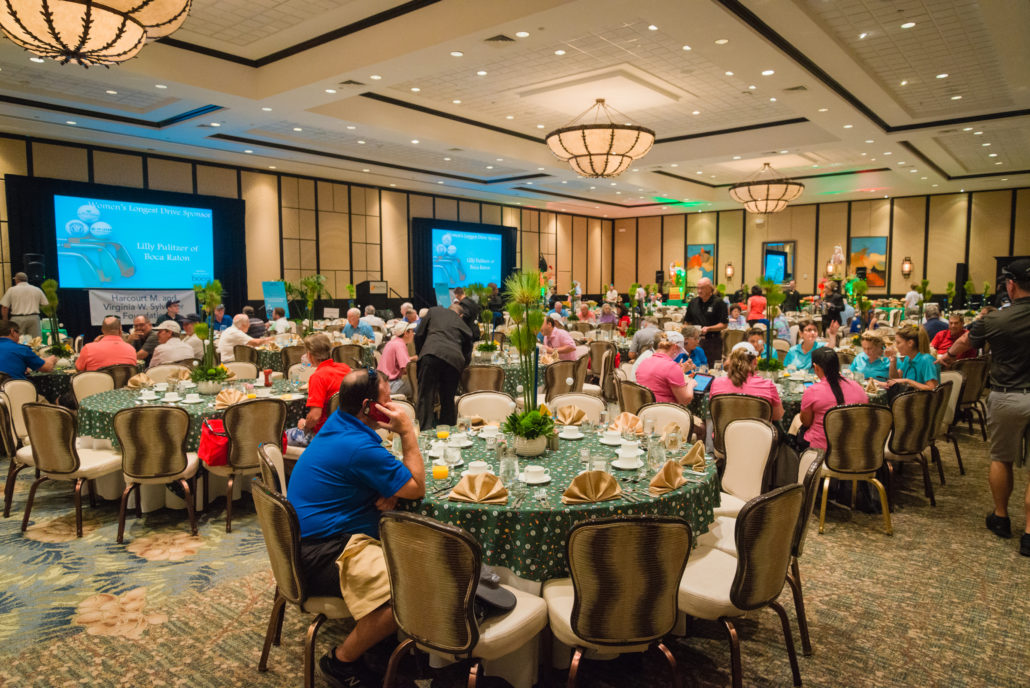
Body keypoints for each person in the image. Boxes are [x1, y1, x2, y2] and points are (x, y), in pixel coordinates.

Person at [287, 369, 425, 687]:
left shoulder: (339, 423)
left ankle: (382, 650)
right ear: (367, 407)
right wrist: (407, 432)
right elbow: (417, 487)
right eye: (387, 401)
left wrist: (389, 487)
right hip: (323, 552)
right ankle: (340, 661)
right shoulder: (358, 447)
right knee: (410, 588)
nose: (393, 407)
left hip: (311, 539)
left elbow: (362, 472)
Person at [938, 258, 1030, 555]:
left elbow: (964, 341)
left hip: (1006, 396)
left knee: (1001, 458)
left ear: (1011, 285)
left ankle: (1001, 517)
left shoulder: (995, 319)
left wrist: (948, 358)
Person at [286, 334, 353, 447]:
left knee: (281, 438)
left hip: (325, 434)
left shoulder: (318, 377)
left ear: (309, 355)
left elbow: (315, 417)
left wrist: (305, 424)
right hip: (346, 429)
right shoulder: (345, 368)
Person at [413, 303, 473, 429]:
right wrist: (461, 366)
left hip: (431, 353)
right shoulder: (464, 325)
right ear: (461, 315)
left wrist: (421, 353)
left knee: (426, 396)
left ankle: (424, 431)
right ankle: (448, 431)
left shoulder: (434, 311)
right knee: (448, 399)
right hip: (454, 361)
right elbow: (467, 351)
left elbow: (419, 334)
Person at [799, 347, 869, 450]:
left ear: (816, 367)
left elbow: (806, 422)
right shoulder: (858, 387)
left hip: (822, 449)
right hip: (855, 446)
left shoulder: (812, 391)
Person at [711, 343, 784, 421]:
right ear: (755, 362)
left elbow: (714, 412)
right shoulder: (767, 385)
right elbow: (777, 416)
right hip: (757, 429)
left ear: (730, 362)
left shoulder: (716, 383)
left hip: (725, 429)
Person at [635, 331, 697, 405]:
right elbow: (685, 400)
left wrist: (679, 371)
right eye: (679, 351)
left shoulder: (644, 362)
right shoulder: (672, 367)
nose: (678, 354)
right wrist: (691, 383)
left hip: (643, 408)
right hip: (664, 410)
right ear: (675, 347)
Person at [684, 277, 728, 365]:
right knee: (695, 366)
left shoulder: (719, 303)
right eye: (698, 288)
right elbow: (687, 322)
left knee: (712, 367)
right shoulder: (693, 303)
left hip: (713, 341)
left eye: (702, 288)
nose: (699, 291)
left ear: (710, 289)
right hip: (695, 341)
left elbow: (724, 324)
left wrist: (709, 328)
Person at [887, 324, 939, 391]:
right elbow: (895, 379)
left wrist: (908, 381)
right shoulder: (908, 358)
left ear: (910, 343)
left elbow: (932, 388)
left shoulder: (926, 360)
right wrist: (893, 362)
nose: (896, 346)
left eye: (898, 343)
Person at [0, 272, 48, 339]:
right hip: (34, 318)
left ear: (16, 280)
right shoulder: (37, 289)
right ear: (26, 279)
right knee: (36, 340)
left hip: (17, 319)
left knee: (17, 339)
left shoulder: (11, 290)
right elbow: (45, 304)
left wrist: (5, 320)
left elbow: (5, 307)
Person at [378, 321, 416, 396]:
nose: (413, 334)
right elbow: (406, 369)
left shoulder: (392, 342)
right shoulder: (400, 345)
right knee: (418, 384)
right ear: (406, 333)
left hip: (381, 382)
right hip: (391, 385)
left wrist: (411, 358)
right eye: (412, 331)